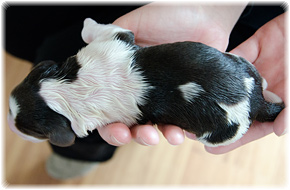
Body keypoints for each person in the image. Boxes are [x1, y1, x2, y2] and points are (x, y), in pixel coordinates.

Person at [5, 3, 286, 179]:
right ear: (43, 73)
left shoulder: (103, 116)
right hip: (240, 77)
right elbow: (120, 36)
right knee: (18, 32)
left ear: (61, 130)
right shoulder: (95, 57)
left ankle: (81, 156)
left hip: (230, 114)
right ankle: (255, 91)